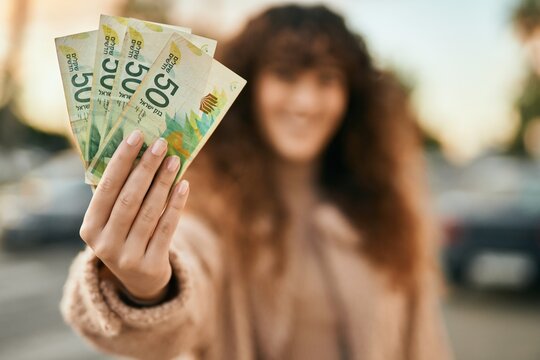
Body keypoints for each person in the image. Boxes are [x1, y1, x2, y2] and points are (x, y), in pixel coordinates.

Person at [61, 4, 452, 360]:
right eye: (285, 74)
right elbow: (187, 266)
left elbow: (424, 342)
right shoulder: (206, 202)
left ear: (352, 95)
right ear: (249, 87)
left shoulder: (388, 214)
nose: (305, 102)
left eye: (326, 79)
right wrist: (147, 288)